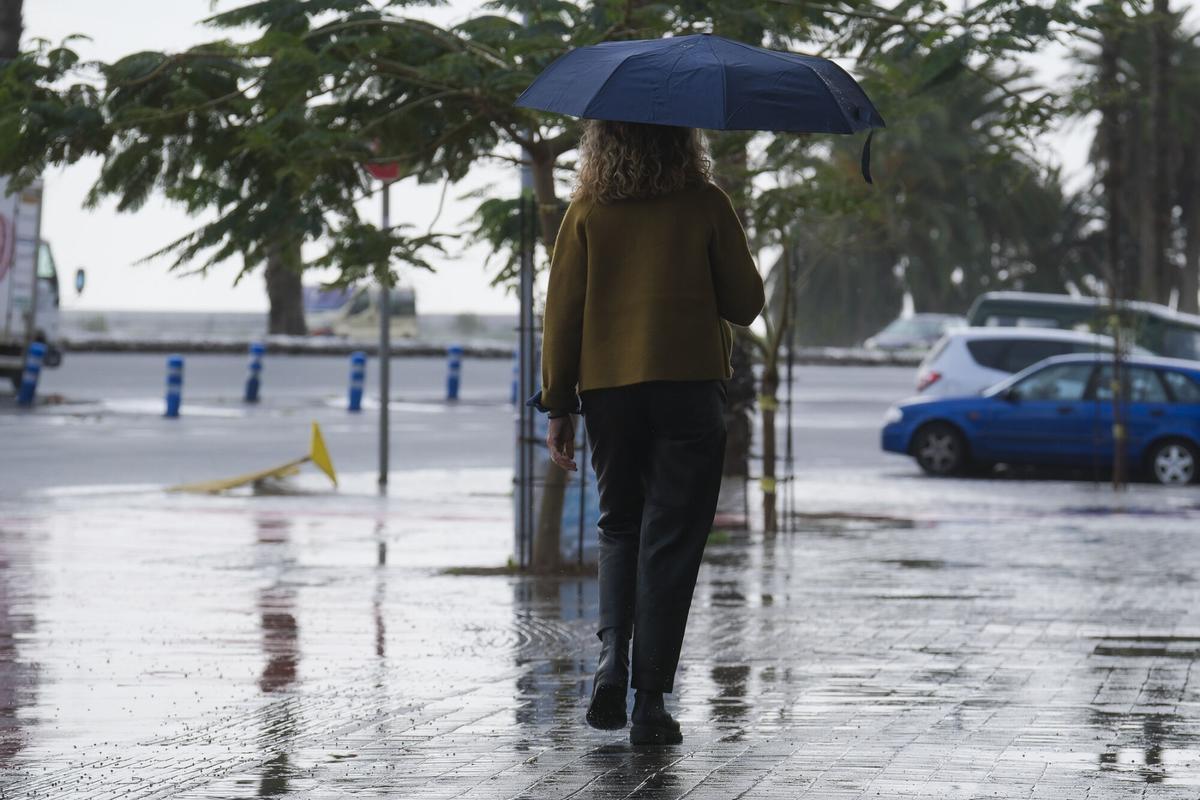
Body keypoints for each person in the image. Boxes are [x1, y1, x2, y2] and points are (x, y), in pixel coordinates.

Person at [527, 119, 765, 746]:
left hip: (609, 391)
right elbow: (746, 303)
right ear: (683, 141)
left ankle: (611, 663)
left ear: (603, 144)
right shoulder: (707, 203)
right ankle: (651, 701)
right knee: (672, 537)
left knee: (620, 523)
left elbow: (563, 313)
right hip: (689, 386)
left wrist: (557, 405)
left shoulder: (586, 210)